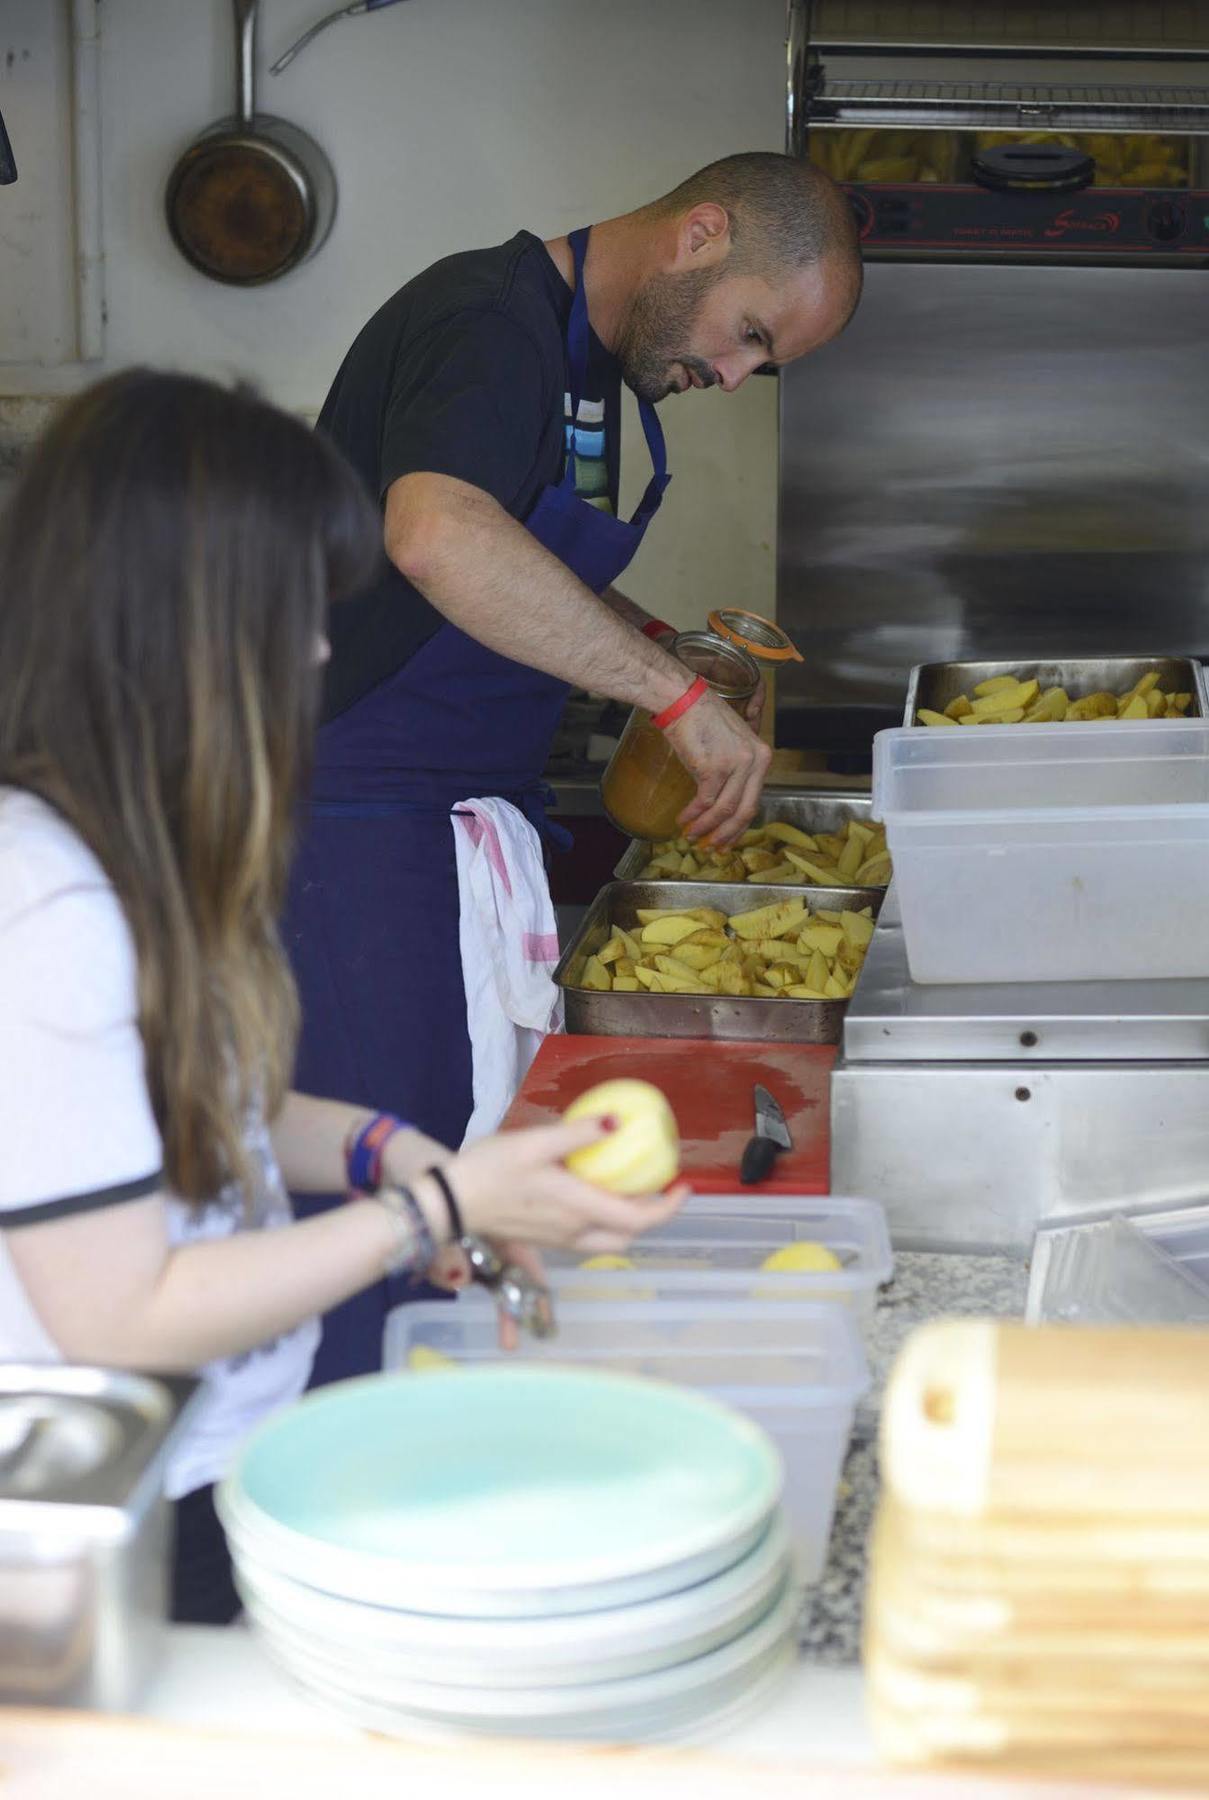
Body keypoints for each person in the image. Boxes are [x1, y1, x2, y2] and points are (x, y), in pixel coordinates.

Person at [0, 370, 684, 1625]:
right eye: (296, 609)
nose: (319, 650)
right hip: (128, 1528)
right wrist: (435, 1207)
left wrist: (391, 1151)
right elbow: (122, 1311)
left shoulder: (127, 847)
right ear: (182, 621)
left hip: (217, 1462)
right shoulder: (44, 905)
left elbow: (217, 1104)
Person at [287, 151, 863, 1386]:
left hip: (444, 822)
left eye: (766, 364)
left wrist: (661, 645)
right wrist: (670, 693)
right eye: (751, 335)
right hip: (351, 829)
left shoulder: (591, 376)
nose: (736, 374)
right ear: (700, 234)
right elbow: (438, 534)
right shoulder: (485, 322)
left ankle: (431, 1452)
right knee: (381, 1203)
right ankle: (326, 1503)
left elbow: (532, 570)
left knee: (451, 1187)